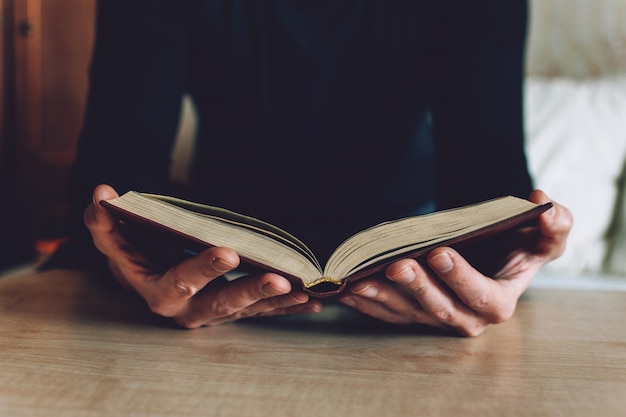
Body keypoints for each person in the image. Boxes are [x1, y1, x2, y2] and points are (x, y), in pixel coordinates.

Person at [51, 0, 572, 336]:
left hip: (408, 258)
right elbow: (114, 182)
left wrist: (506, 262)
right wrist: (133, 268)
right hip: (217, 256)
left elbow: (490, 184)